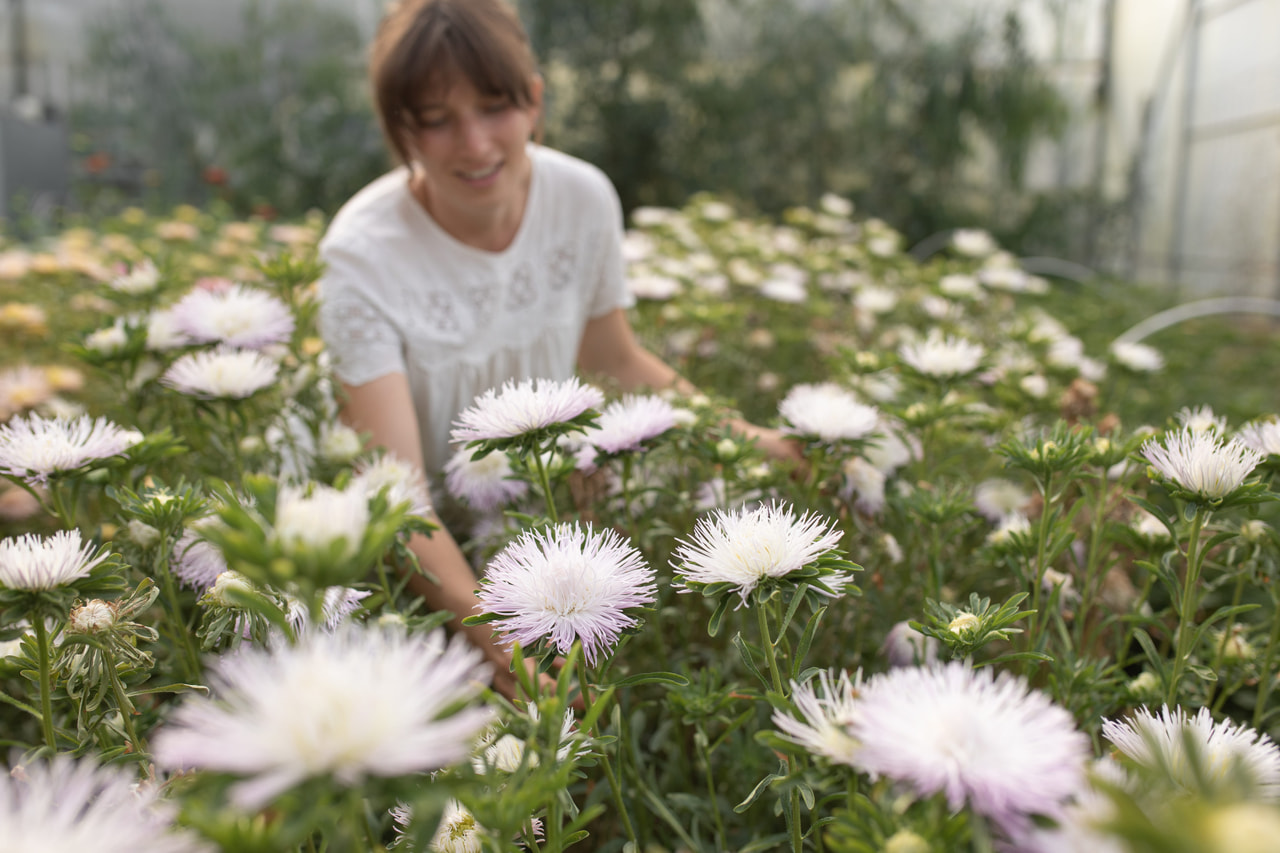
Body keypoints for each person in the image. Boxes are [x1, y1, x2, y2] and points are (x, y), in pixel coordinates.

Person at [318, 0, 798, 699]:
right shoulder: (361, 255)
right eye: (437, 119)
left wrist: (754, 440)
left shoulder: (583, 198)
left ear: (535, 101)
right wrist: (489, 628)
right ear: (400, 131)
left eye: (494, 106)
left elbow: (618, 360)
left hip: (547, 517)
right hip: (417, 564)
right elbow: (394, 497)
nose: (476, 143)